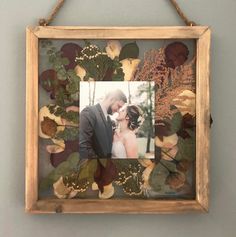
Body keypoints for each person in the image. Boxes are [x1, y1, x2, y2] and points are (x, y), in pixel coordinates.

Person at [79, 89, 127, 159]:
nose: (118, 110)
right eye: (119, 106)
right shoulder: (89, 113)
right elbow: (83, 146)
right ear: (112, 99)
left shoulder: (110, 121)